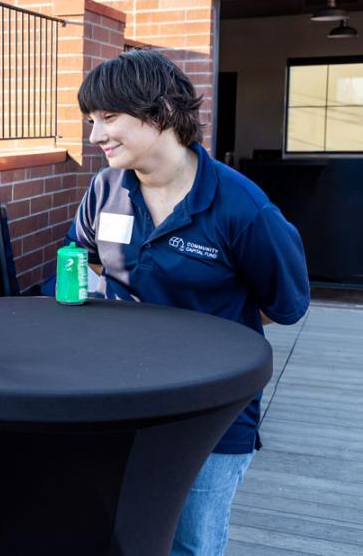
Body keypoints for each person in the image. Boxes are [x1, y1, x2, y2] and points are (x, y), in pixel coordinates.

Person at [64, 49, 310, 556]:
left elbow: (283, 304)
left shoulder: (242, 207)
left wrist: (204, 335)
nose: (95, 135)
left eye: (109, 118)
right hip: (118, 395)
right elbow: (81, 258)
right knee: (111, 533)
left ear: (159, 114)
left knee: (190, 544)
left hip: (212, 411)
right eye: (91, 120)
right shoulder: (104, 189)